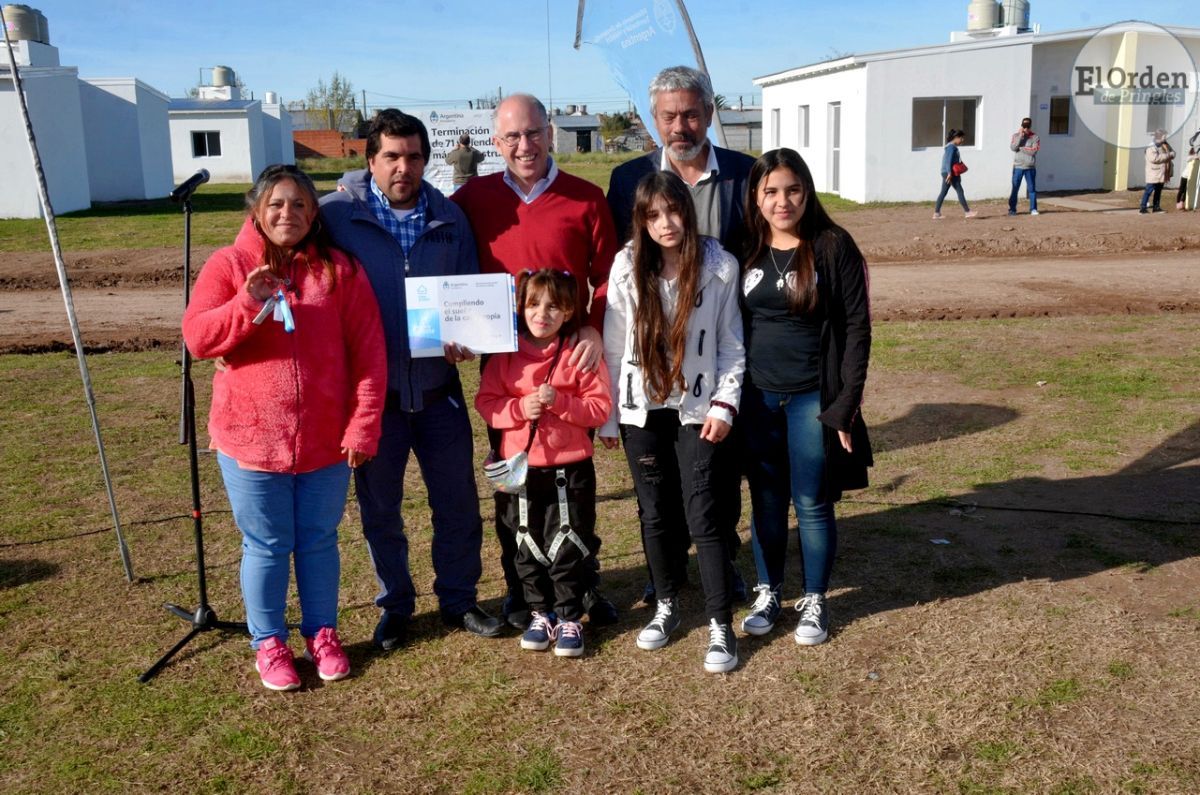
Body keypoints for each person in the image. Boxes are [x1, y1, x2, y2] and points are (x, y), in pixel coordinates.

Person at [182, 164, 388, 690]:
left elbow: (368, 352)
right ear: (256, 210)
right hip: (251, 438)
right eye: (276, 204)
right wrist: (247, 301)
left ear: (314, 213)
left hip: (324, 440)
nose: (287, 214)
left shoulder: (339, 270)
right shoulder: (228, 265)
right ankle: (268, 642)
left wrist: (363, 424)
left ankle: (322, 632)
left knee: (318, 540)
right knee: (267, 545)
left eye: (299, 204)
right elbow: (199, 339)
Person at [320, 109, 503, 649]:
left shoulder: (449, 217)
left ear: (428, 159)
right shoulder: (335, 215)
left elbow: (469, 292)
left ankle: (459, 599)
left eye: (415, 156)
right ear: (370, 160)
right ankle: (395, 606)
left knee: (457, 503)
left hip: (438, 390)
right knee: (381, 510)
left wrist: (467, 336)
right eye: (392, 157)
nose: (404, 167)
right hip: (373, 398)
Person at [452, 93, 620, 629]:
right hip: (505, 367)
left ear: (549, 132)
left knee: (574, 491)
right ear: (495, 142)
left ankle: (582, 588)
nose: (523, 146)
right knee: (514, 489)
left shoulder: (586, 198)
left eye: (532, 133)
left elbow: (610, 275)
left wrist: (592, 323)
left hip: (568, 365)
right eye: (511, 137)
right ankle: (524, 594)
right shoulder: (470, 198)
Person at [606, 65, 753, 605]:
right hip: (650, 368)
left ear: (709, 114)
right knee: (659, 486)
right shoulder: (626, 180)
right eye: (669, 116)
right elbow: (622, 270)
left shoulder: (746, 172)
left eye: (690, 113)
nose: (680, 126)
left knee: (717, 472)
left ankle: (725, 565)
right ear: (654, 119)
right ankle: (663, 575)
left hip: (719, 353)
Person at [599, 171, 745, 673]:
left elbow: (730, 345)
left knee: (703, 511)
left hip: (699, 407)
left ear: (688, 209)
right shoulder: (625, 268)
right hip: (643, 408)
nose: (666, 223)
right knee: (655, 512)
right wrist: (610, 419)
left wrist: (725, 406)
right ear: (640, 219)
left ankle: (720, 624)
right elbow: (615, 348)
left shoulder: (718, 266)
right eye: (653, 214)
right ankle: (666, 604)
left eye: (674, 210)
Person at [737, 148, 872, 647]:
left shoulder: (833, 245)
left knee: (811, 501)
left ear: (807, 190)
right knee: (766, 501)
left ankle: (815, 598)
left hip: (813, 397)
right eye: (770, 191)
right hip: (756, 398)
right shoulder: (744, 245)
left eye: (792, 189)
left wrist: (844, 404)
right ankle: (769, 591)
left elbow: (857, 329)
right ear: (756, 197)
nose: (782, 201)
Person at [475, 270, 612, 657]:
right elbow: (486, 403)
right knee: (525, 540)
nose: (543, 314)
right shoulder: (505, 356)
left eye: (554, 306)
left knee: (569, 541)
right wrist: (519, 407)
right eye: (534, 304)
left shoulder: (578, 355)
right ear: (521, 307)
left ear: (569, 311)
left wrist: (561, 403)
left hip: (570, 471)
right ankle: (540, 612)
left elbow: (599, 407)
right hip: (521, 469)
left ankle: (570, 616)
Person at [933, 129, 976, 220]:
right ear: (956, 138)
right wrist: (949, 173)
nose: (962, 140)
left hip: (946, 172)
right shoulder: (951, 147)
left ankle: (936, 213)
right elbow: (948, 161)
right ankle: (967, 212)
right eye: (961, 138)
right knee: (960, 190)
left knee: (943, 192)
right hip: (950, 173)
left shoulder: (950, 147)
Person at [1008, 117, 1040, 216]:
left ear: (1030, 126)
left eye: (1027, 126)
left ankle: (1033, 209)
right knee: (1015, 188)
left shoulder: (1035, 137)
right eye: (1024, 126)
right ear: (1021, 126)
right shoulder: (1016, 135)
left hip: (1029, 167)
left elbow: (1034, 151)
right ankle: (1012, 209)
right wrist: (1020, 138)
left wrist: (1021, 148)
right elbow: (1013, 147)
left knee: (1032, 189)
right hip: (1018, 167)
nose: (1026, 128)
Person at [1141, 129, 1175, 214]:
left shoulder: (1165, 145)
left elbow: (1172, 152)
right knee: (1149, 190)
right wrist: (1168, 155)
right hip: (1153, 173)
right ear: (1159, 137)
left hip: (1162, 173)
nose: (1166, 138)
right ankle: (1143, 208)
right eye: (1164, 136)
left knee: (1158, 190)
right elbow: (1154, 159)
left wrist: (1171, 154)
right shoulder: (1151, 147)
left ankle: (1156, 207)